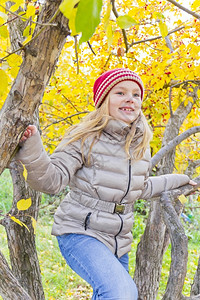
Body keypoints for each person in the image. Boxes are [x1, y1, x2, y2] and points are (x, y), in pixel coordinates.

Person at [16, 68, 196, 299]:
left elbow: (141, 188)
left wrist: (180, 179)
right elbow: (51, 181)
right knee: (120, 293)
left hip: (118, 240)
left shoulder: (140, 145)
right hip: (81, 232)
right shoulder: (84, 137)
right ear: (104, 100)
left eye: (136, 94)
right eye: (120, 92)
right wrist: (32, 145)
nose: (130, 98)